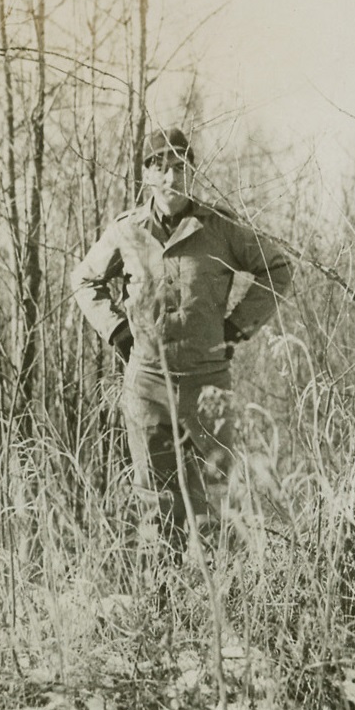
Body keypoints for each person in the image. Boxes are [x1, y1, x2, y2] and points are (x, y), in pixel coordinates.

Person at [72, 128, 293, 559]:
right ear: (146, 176)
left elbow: (278, 268)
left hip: (208, 386)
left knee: (216, 504)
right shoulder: (127, 232)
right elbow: (84, 280)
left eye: (180, 168)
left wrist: (236, 327)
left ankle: (221, 612)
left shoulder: (222, 228)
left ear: (192, 173)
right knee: (157, 506)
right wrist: (117, 331)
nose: (172, 178)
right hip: (147, 386)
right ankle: (164, 609)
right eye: (161, 169)